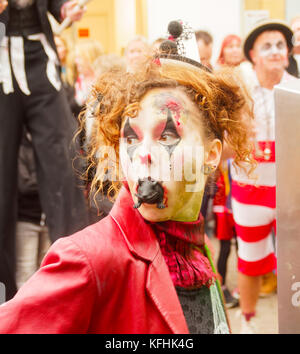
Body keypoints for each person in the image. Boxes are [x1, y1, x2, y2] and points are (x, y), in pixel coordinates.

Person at [0, 20, 255, 334]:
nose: (143, 154)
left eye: (166, 137)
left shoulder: (199, 248)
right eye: (131, 139)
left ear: (211, 155)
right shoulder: (88, 259)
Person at [0, 0, 89, 300]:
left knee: (64, 166)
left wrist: (66, 8)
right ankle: (3, 297)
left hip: (40, 55)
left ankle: (78, 279)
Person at [231, 19, 297, 333]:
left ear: (288, 52)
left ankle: (294, 320)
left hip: (291, 189)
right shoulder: (238, 91)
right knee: (251, 257)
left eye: (280, 45)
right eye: (266, 45)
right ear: (253, 54)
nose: (274, 51)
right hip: (250, 186)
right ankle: (248, 322)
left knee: (295, 260)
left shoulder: (297, 89)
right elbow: (226, 145)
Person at [212, 34, 245, 309]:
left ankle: (242, 287)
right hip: (223, 183)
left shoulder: (247, 115)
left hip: (243, 180)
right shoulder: (217, 114)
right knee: (224, 239)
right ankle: (220, 286)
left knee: (242, 239)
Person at [16, 129, 51, 289]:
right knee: (25, 274)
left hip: (47, 220)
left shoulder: (47, 149)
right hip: (26, 219)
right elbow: (24, 184)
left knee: (45, 273)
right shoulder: (21, 149)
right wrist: (46, 181)